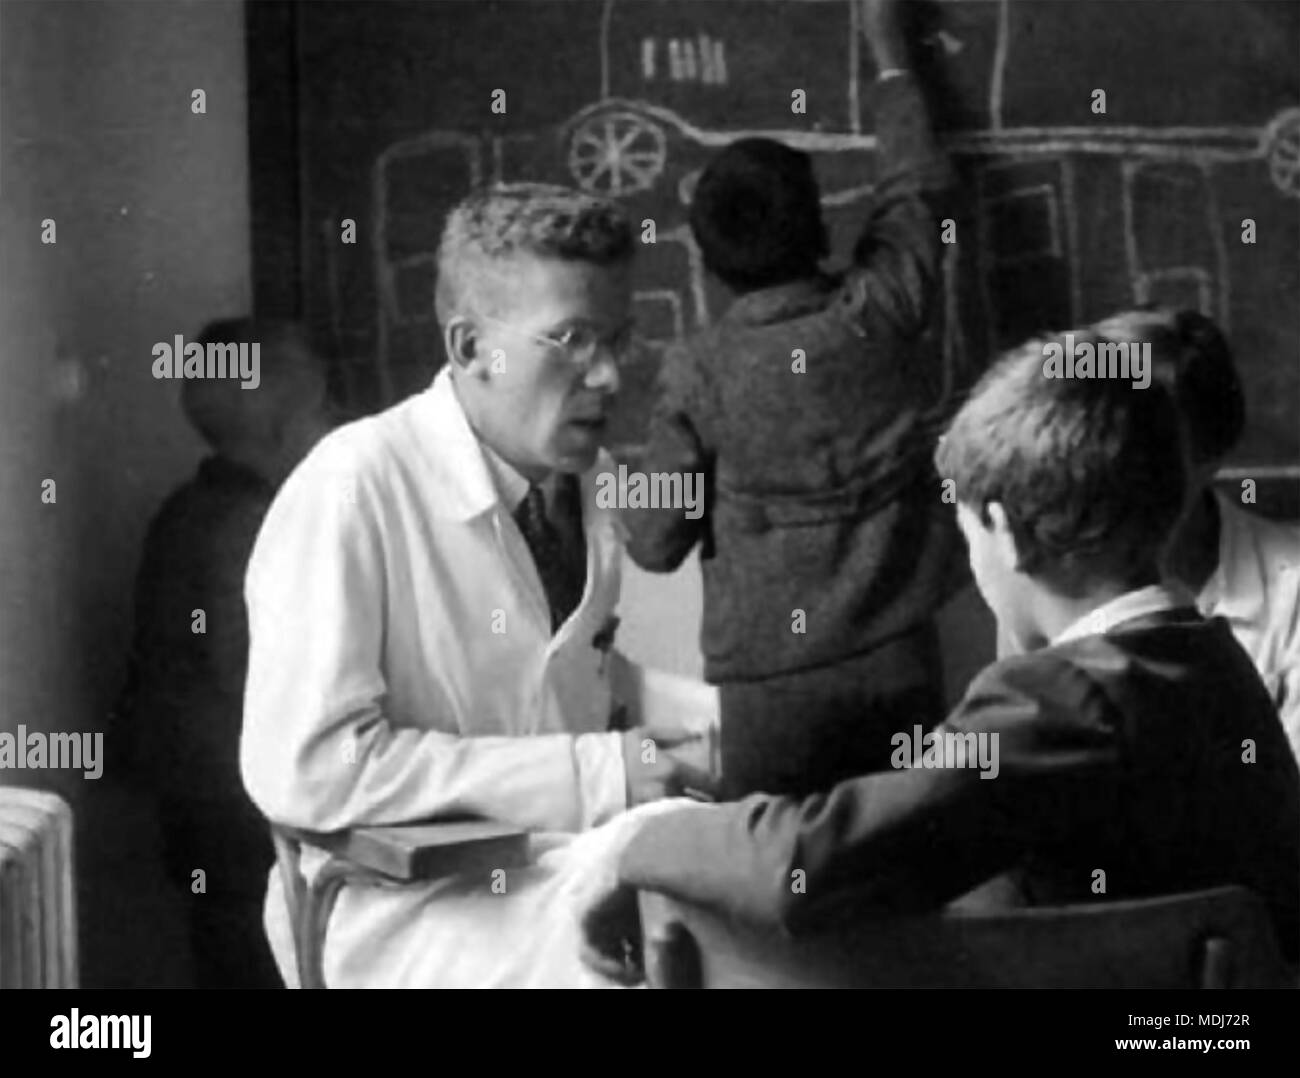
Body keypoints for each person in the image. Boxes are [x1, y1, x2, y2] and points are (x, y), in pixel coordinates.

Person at [579, 322, 1300, 982]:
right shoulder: (1212, 663)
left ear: (1006, 533)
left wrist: (639, 843)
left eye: (969, 536)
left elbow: (808, 859)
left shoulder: (1060, 702)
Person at [239, 183, 716, 989]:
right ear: (468, 348)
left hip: (547, 865)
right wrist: (597, 774)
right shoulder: (354, 485)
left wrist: (724, 722)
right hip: (401, 902)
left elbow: (566, 681)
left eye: (617, 338)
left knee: (735, 902)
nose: (606, 374)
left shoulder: (589, 482)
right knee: (681, 945)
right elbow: (311, 770)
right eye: (568, 339)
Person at [620, 0, 966, 799]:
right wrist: (889, 55)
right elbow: (915, 188)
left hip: (771, 695)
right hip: (900, 661)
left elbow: (652, 542)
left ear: (706, 262)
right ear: (819, 229)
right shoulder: (879, 310)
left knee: (788, 893)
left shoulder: (697, 372)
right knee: (909, 872)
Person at [114, 318, 337, 988]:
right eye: (319, 405)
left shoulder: (188, 511)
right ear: (280, 420)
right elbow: (260, 683)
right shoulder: (248, 528)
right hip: (248, 826)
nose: (332, 426)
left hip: (209, 819)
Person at [1122, 307, 1300, 769]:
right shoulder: (1052, 569)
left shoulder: (1292, 587)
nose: (1109, 470)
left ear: (1208, 456)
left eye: (1145, 448)